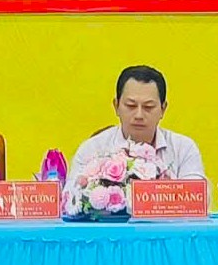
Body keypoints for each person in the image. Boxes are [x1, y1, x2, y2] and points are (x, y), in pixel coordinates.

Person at [65, 65, 205, 187]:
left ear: (163, 109)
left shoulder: (183, 149)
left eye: (148, 107)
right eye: (131, 106)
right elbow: (71, 198)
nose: (139, 115)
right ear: (116, 106)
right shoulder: (92, 149)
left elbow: (197, 196)